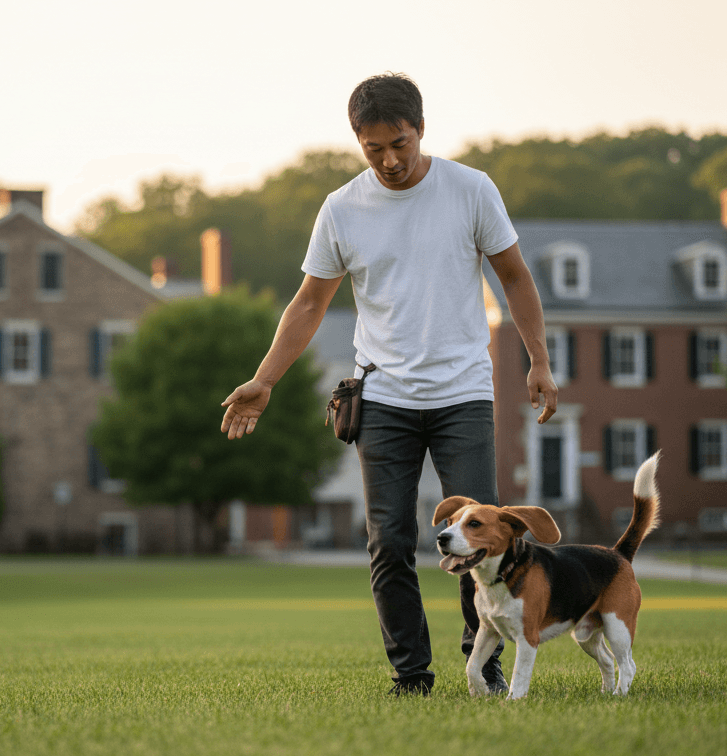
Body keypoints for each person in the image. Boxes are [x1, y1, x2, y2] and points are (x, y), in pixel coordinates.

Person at [220, 73, 557, 697]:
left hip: (463, 394)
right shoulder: (342, 208)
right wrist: (264, 379)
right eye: (373, 149)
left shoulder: (470, 190)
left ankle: (482, 661)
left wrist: (537, 358)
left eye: (400, 144)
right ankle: (412, 676)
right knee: (390, 543)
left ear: (421, 128)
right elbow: (310, 302)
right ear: (358, 141)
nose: (390, 160)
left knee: (481, 542)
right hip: (383, 400)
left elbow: (514, 277)